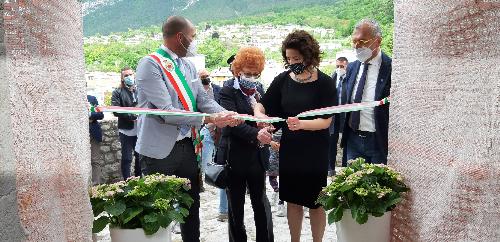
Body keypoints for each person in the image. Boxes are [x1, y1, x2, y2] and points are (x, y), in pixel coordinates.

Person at [134, 16, 241, 242]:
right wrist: (210, 118)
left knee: (190, 205)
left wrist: (225, 114)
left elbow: (203, 99)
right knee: (157, 210)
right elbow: (166, 111)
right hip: (159, 151)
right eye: (192, 37)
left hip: (187, 146)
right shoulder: (150, 64)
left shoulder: (189, 65)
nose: (194, 42)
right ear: (180, 37)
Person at [254, 30, 337, 242]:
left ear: (309, 56)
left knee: (317, 200)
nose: (292, 63)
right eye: (289, 59)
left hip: (315, 149)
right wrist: (259, 115)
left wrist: (302, 124)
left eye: (297, 59)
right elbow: (263, 104)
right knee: (293, 199)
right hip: (290, 148)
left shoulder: (325, 82)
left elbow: (326, 120)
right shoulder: (283, 80)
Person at [218, 47, 274, 242]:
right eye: (247, 73)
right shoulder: (227, 91)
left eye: (255, 74)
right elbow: (233, 125)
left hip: (258, 157)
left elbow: (267, 114)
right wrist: (257, 133)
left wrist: (269, 127)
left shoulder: (260, 90)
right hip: (235, 157)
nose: (251, 77)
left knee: (261, 202)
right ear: (237, 70)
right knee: (236, 206)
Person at [341, 19, 392, 165]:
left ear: (377, 41)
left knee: (379, 186)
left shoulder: (391, 69)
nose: (357, 46)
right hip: (353, 140)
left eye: (362, 41)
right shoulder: (351, 67)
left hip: (379, 141)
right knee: (351, 185)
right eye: (354, 41)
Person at [111, 67, 141, 180]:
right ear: (122, 78)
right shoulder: (117, 92)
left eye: (131, 74)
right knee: (127, 158)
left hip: (139, 129)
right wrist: (132, 116)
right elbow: (116, 110)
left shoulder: (139, 90)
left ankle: (139, 181)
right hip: (126, 130)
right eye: (126, 75)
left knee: (139, 157)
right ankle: (127, 182)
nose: (129, 77)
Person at [329, 57, 349, 172]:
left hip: (346, 114)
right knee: (332, 140)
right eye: (338, 66)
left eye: (342, 66)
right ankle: (330, 168)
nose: (339, 69)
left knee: (346, 140)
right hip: (334, 115)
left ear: (347, 66)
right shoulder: (333, 78)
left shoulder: (351, 78)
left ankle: (346, 168)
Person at [267, 129, 286, 217]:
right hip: (273, 153)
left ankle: (280, 204)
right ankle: (276, 192)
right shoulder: (272, 121)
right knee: (272, 177)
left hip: (286, 154)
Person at [87, 94, 104, 185]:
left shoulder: (92, 98)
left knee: (95, 160)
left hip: (93, 132)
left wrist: (89, 114)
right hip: (79, 133)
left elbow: (100, 115)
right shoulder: (71, 99)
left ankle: (96, 185)